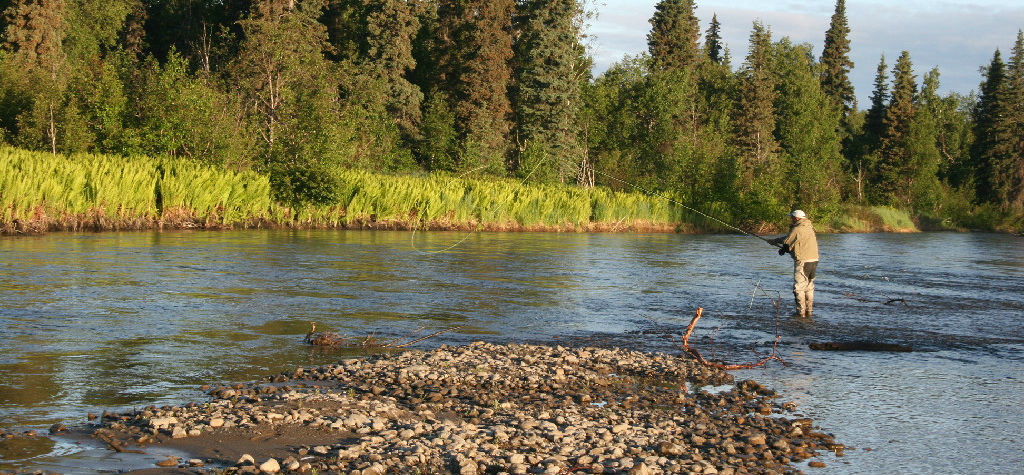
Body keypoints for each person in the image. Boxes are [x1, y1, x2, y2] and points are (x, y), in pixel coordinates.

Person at [770, 210, 818, 317]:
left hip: (803, 261)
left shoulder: (797, 228)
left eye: (792, 217)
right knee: (809, 286)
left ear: (796, 218)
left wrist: (782, 249)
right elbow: (791, 238)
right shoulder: (809, 227)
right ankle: (809, 312)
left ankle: (800, 313)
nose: (791, 219)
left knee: (798, 288)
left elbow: (787, 243)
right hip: (814, 260)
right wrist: (775, 241)